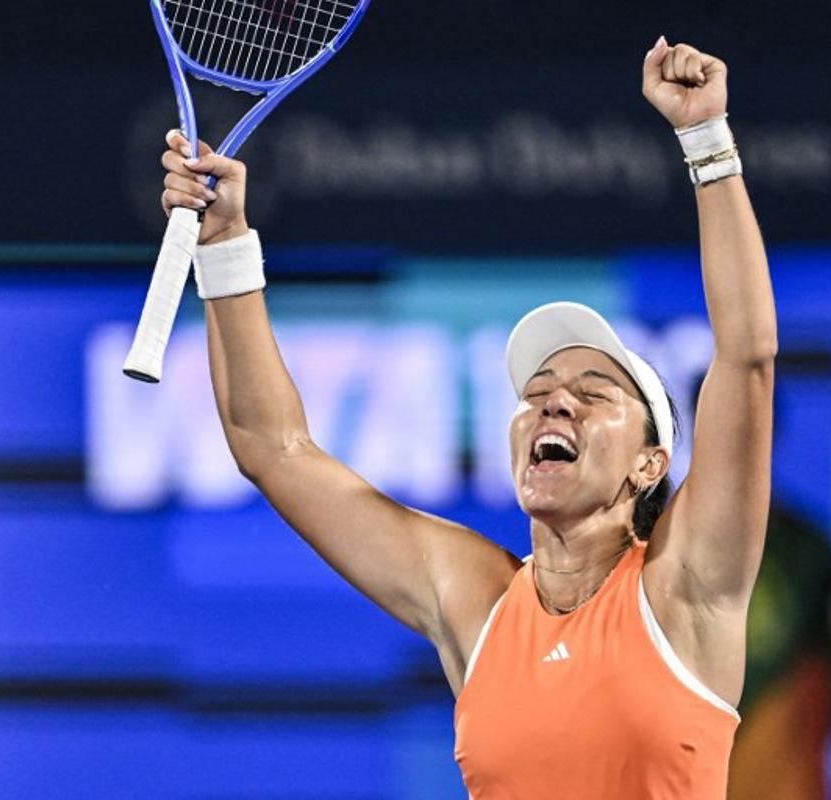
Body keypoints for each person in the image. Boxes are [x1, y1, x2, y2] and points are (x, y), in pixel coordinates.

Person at [159, 36, 775, 799]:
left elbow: (747, 358)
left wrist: (706, 138)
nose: (555, 400)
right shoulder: (475, 604)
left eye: (593, 392)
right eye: (540, 389)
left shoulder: (688, 589)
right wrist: (223, 244)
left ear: (649, 465)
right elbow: (272, 449)